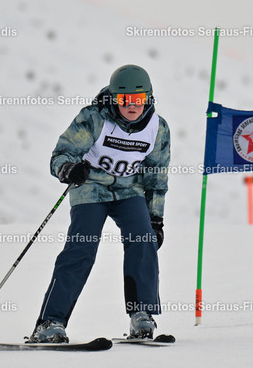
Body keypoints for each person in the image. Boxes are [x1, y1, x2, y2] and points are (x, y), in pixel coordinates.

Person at [28, 65, 170, 343]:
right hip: (91, 188)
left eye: (138, 100)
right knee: (81, 248)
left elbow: (156, 176)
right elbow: (62, 154)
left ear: (149, 99)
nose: (131, 106)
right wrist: (68, 169)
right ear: (114, 99)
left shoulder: (157, 128)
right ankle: (50, 321)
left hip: (129, 190)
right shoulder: (94, 118)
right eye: (124, 100)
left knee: (144, 240)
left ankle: (141, 314)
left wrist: (156, 218)